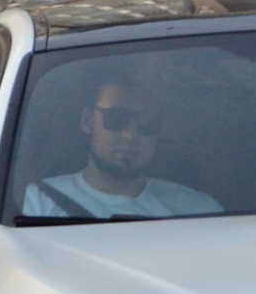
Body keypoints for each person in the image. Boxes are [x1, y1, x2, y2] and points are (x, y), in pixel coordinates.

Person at [20, 77, 221, 219]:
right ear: (88, 121)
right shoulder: (38, 201)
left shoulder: (197, 209)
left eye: (147, 122)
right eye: (117, 118)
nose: (130, 135)